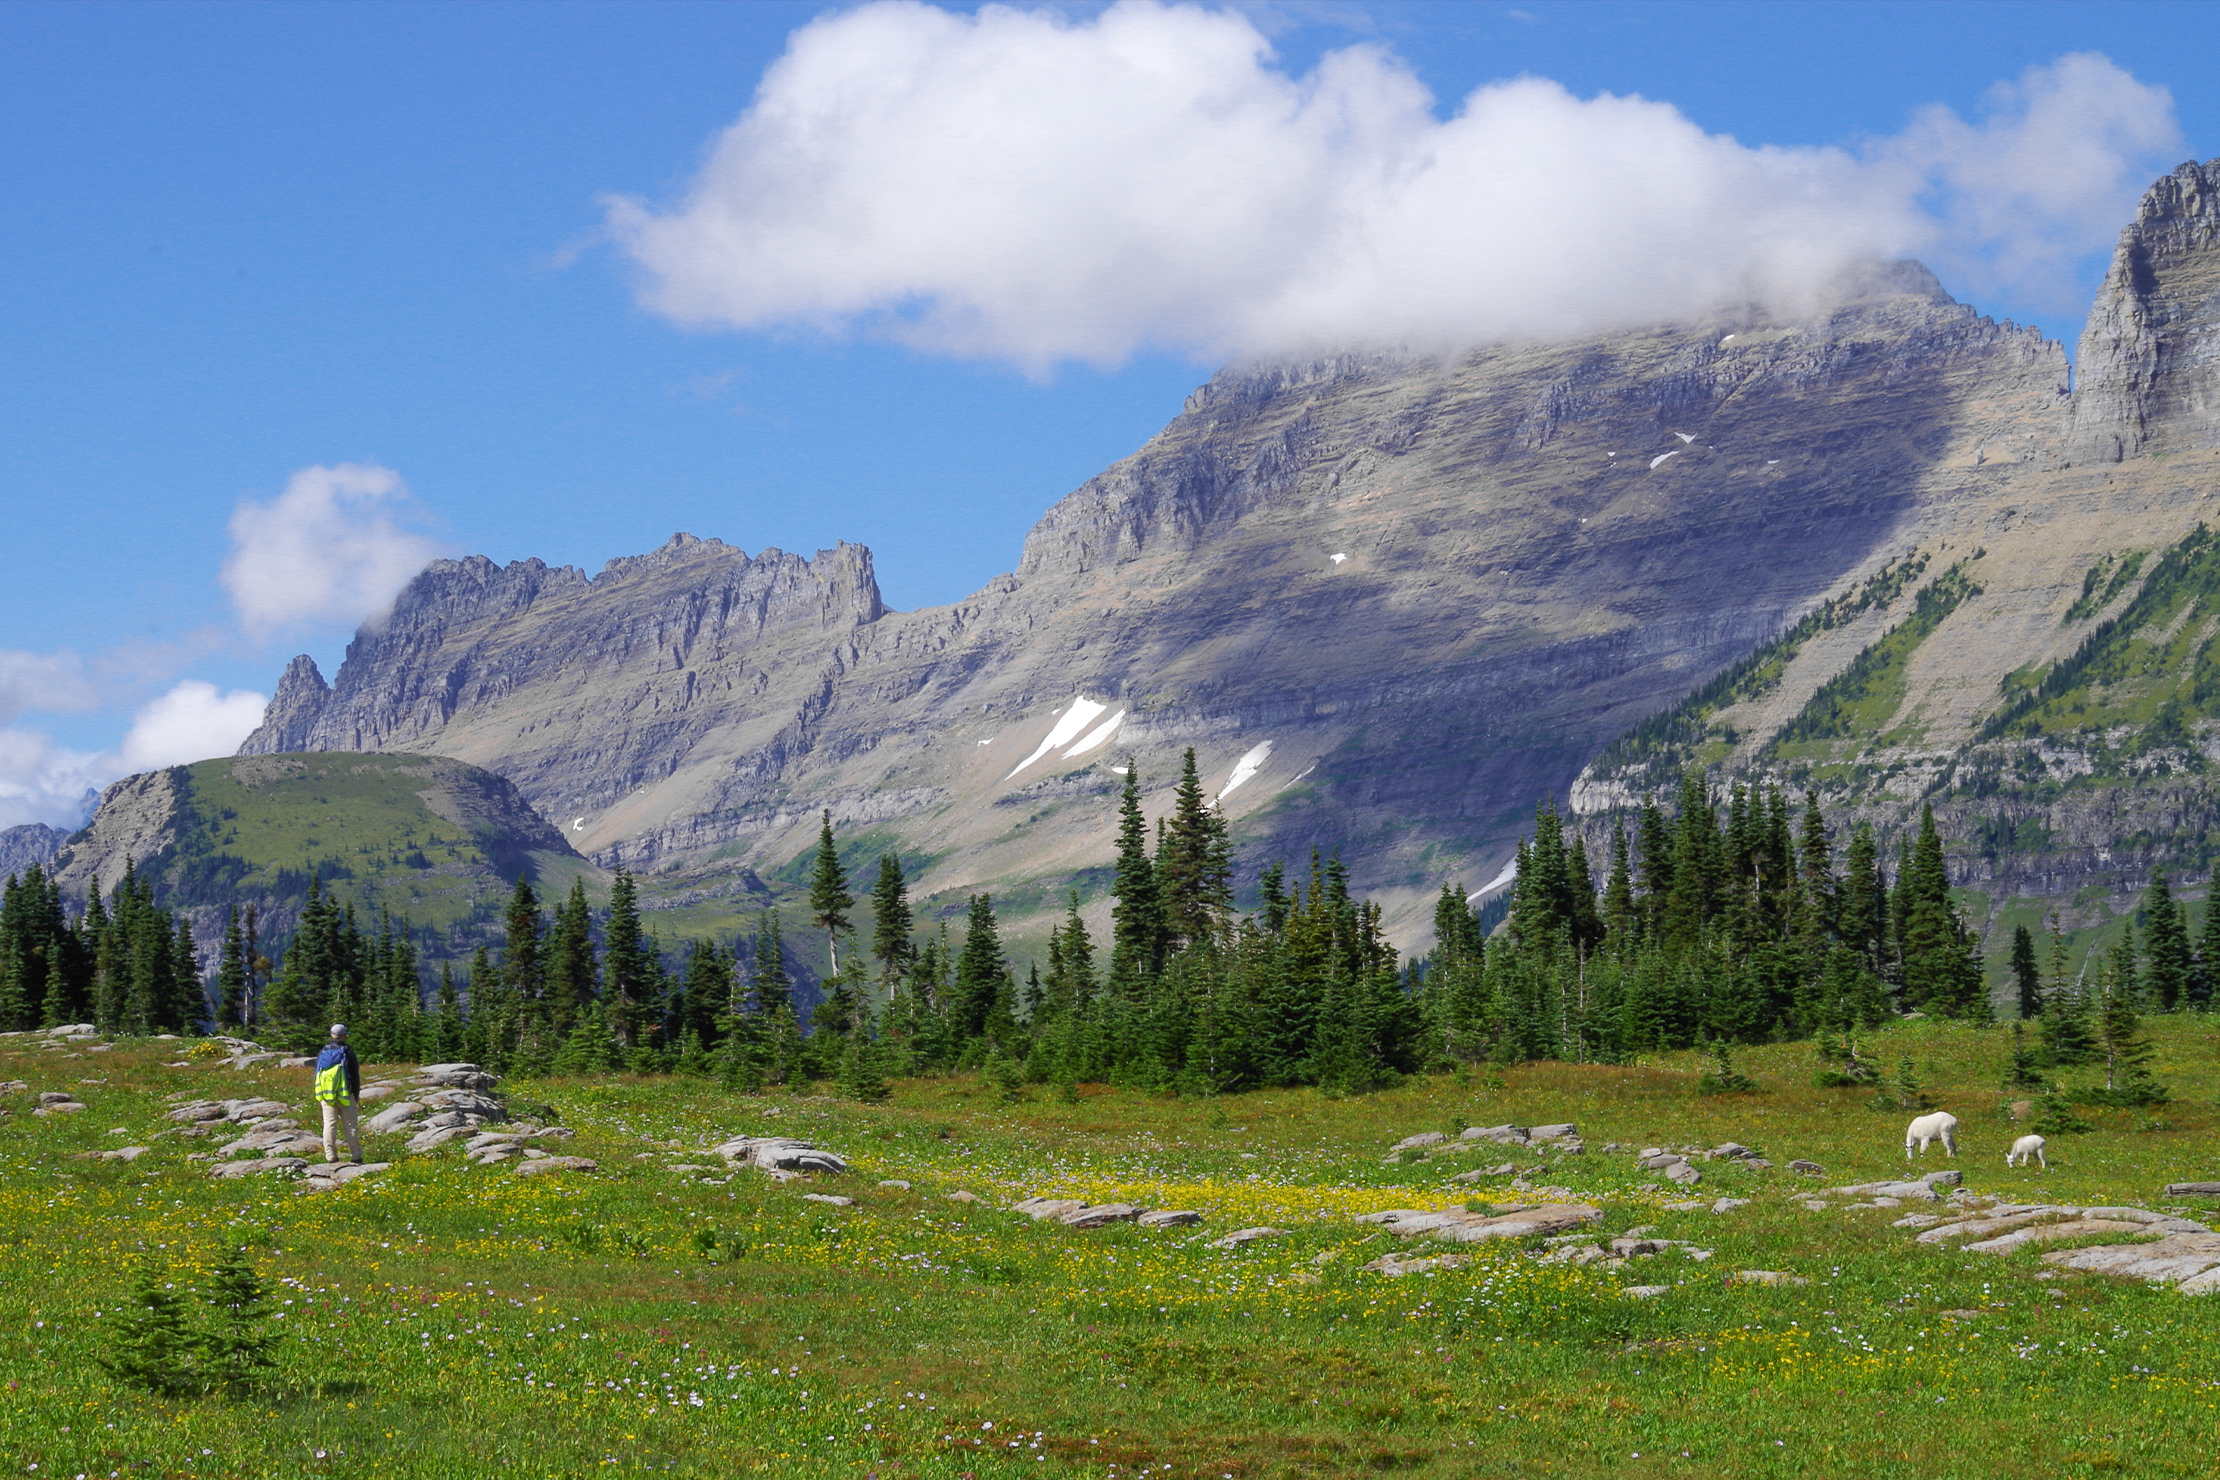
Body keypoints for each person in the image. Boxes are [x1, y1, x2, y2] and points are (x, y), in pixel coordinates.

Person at [314, 1023, 362, 1164]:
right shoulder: (347, 1051)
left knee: (329, 1124)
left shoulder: (323, 1051)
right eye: (345, 1035)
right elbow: (355, 1074)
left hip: (327, 1095)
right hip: (345, 1094)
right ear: (342, 1036)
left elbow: (317, 1073)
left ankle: (330, 1156)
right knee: (350, 1125)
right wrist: (356, 1094)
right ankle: (356, 1156)